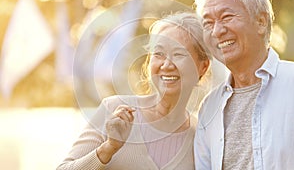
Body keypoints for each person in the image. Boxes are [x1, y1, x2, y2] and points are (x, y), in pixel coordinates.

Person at [57, 12, 211, 170]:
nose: (166, 65)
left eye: (178, 54)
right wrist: (109, 148)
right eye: (158, 54)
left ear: (203, 67)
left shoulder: (200, 136)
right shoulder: (114, 109)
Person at [193, 0, 294, 170]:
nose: (217, 31)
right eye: (208, 23)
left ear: (260, 21)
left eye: (226, 17)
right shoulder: (209, 107)